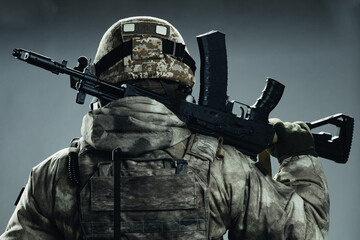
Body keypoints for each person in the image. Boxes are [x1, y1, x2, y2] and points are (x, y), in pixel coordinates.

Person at [0, 16, 329, 240]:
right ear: (183, 79)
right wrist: (298, 155)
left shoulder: (55, 174)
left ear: (103, 78)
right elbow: (306, 231)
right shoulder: (226, 169)